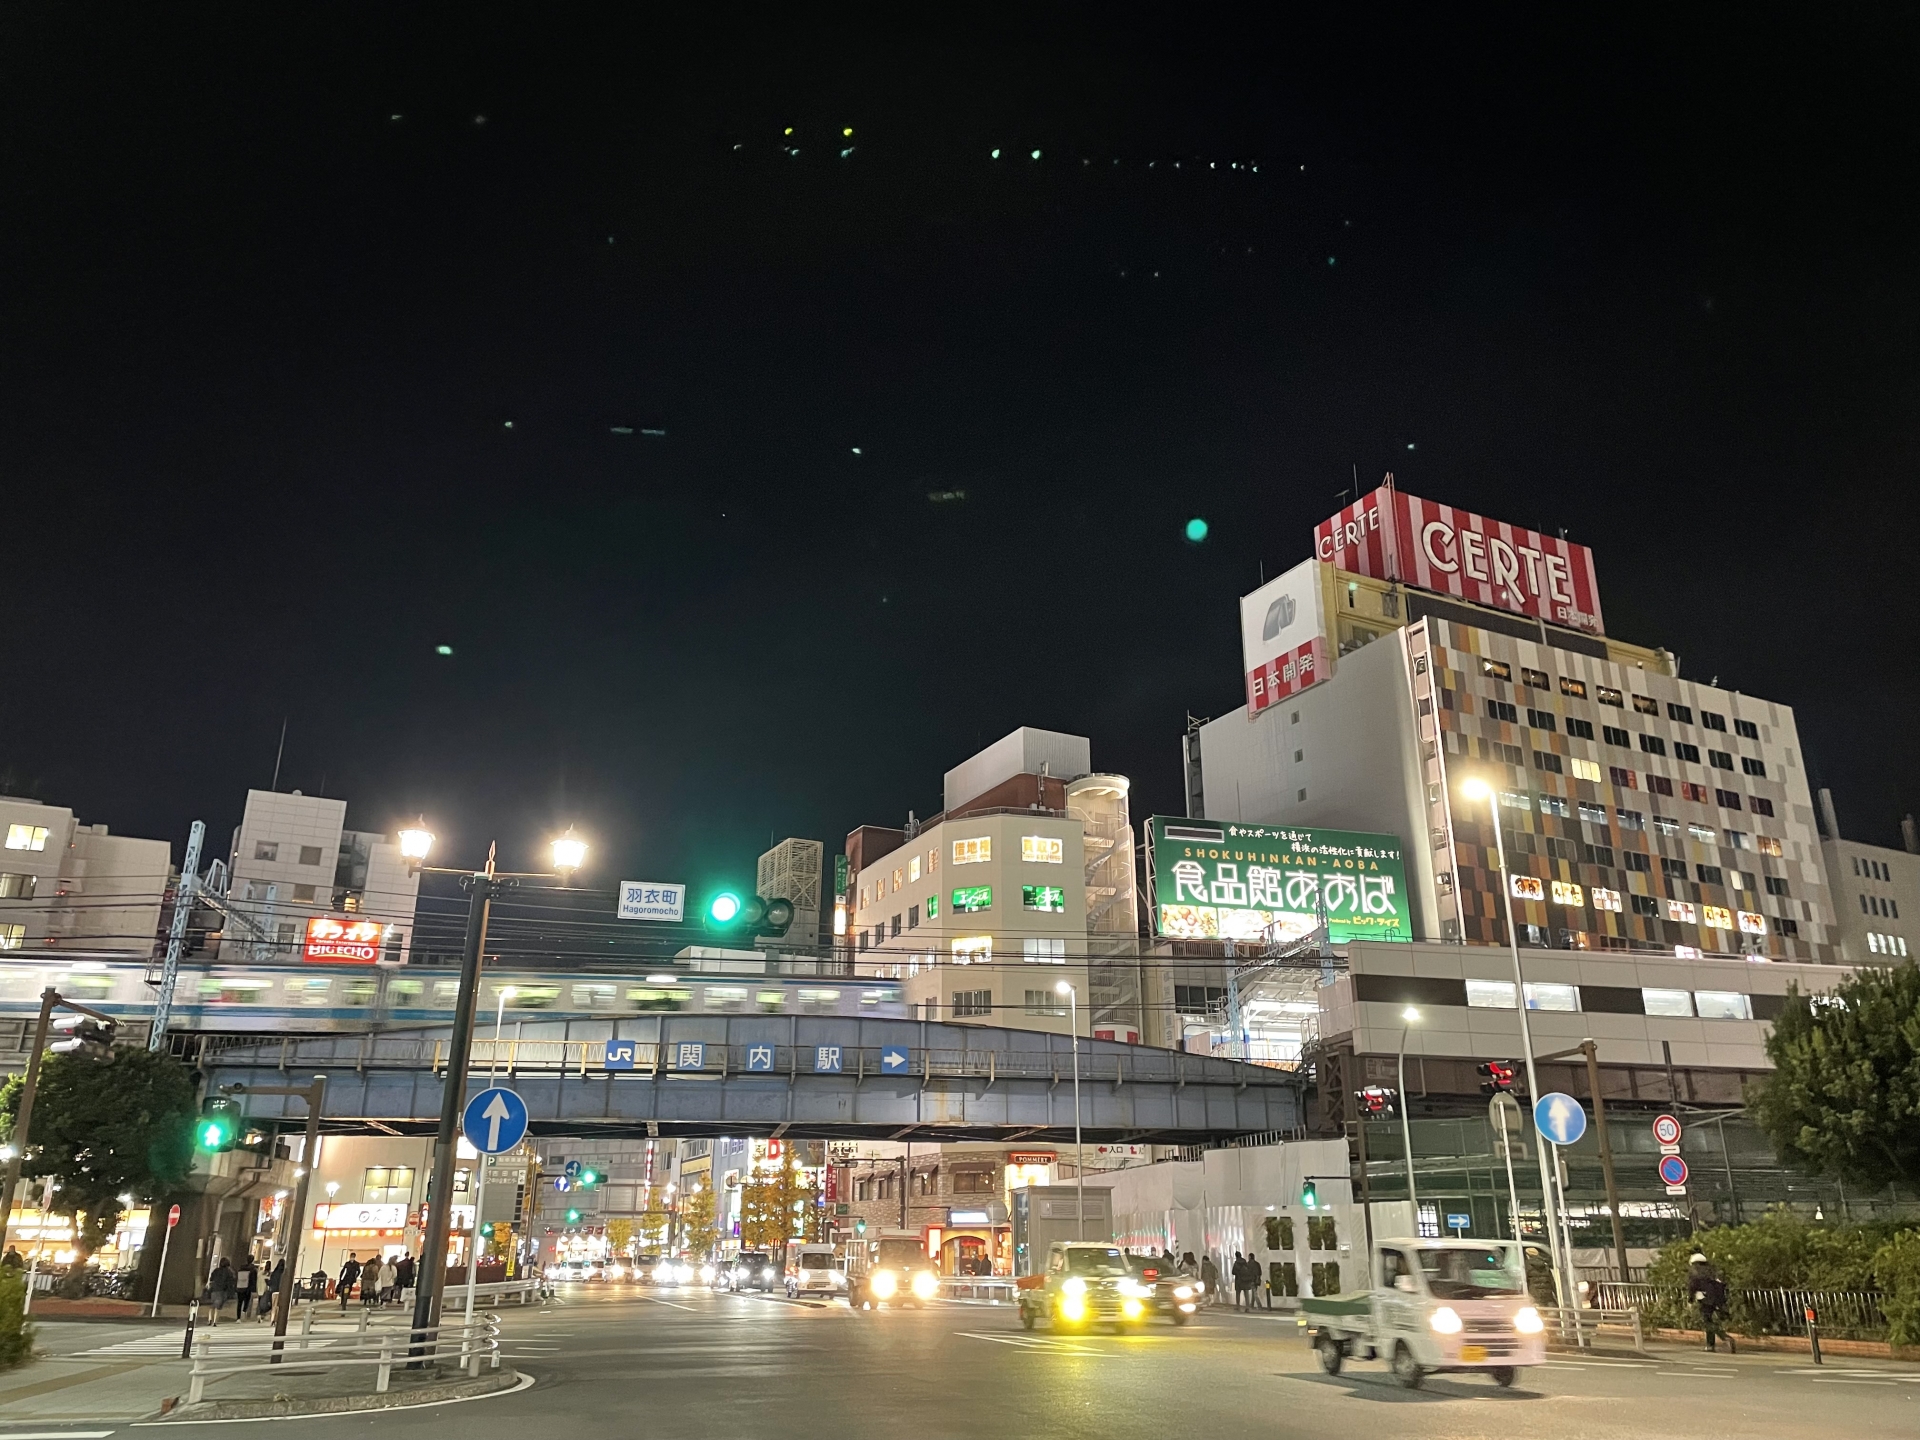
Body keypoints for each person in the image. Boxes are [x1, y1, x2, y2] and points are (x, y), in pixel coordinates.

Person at [1689, 1252, 1734, 1353]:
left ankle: (1724, 1337)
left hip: (1705, 1299)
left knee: (1707, 1321)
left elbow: (1692, 1285)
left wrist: (1690, 1299)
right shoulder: (1712, 1270)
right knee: (1709, 1320)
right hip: (1718, 1299)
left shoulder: (1695, 1271)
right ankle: (1710, 1345)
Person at [205, 1257, 237, 1326]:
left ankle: (209, 1319)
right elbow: (231, 1282)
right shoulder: (229, 1272)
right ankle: (215, 1321)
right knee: (218, 1307)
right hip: (222, 1291)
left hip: (214, 1290)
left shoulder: (216, 1270)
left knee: (212, 1305)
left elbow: (211, 1279)